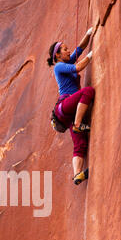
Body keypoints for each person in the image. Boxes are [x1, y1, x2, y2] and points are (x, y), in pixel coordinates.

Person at [47, 28, 95, 185]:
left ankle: (77, 175)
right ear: (58, 56)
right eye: (65, 49)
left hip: (68, 112)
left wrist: (88, 34)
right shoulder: (59, 67)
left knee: (80, 144)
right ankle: (78, 124)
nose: (68, 51)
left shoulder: (66, 61)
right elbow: (78, 67)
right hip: (65, 106)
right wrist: (92, 55)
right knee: (88, 92)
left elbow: (79, 48)